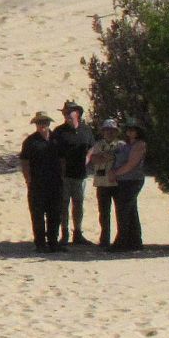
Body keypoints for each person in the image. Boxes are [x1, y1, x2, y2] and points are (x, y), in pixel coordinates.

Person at [19, 111, 65, 253]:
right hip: (37, 183)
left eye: (44, 122)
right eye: (39, 123)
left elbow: (63, 159)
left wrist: (62, 176)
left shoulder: (57, 139)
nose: (42, 125)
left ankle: (53, 242)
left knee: (55, 213)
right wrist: (28, 179)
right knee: (37, 214)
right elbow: (24, 162)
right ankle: (40, 243)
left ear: (48, 123)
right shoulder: (30, 141)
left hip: (55, 183)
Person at [52, 100, 95, 245]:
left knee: (79, 204)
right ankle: (64, 233)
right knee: (64, 205)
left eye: (69, 112)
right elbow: (54, 152)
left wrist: (88, 158)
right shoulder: (59, 131)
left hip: (80, 174)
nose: (67, 114)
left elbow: (92, 146)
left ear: (77, 113)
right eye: (65, 112)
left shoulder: (86, 130)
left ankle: (78, 233)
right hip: (64, 175)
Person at [108, 119, 149, 252]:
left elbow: (131, 164)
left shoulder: (140, 144)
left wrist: (116, 173)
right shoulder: (125, 145)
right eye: (128, 130)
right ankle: (134, 241)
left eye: (133, 130)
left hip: (133, 180)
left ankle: (122, 241)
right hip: (123, 180)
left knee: (123, 211)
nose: (130, 132)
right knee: (130, 211)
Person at [86, 118, 124, 248]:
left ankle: (121, 238)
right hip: (102, 182)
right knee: (104, 213)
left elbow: (123, 159)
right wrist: (105, 157)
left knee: (120, 212)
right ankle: (104, 239)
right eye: (107, 130)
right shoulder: (98, 144)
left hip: (117, 182)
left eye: (112, 130)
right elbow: (94, 159)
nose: (109, 133)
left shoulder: (121, 145)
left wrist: (105, 157)